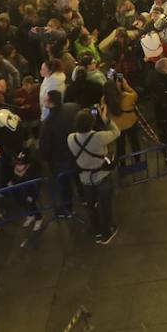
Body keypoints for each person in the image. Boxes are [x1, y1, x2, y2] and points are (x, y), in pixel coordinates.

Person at [66, 100, 120, 244]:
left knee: (91, 206)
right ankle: (106, 233)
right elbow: (116, 132)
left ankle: (95, 230)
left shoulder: (71, 138)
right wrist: (105, 119)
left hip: (84, 179)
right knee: (105, 206)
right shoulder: (98, 137)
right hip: (101, 176)